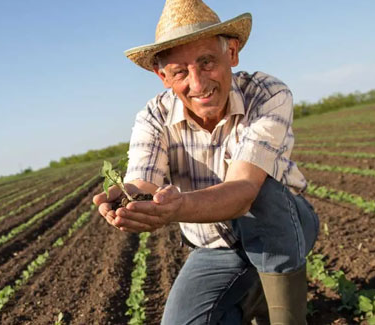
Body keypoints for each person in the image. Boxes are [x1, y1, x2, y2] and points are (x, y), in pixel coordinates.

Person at [92, 0, 319, 324]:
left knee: (265, 194)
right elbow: (144, 180)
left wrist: (178, 207)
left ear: (233, 53)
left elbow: (244, 190)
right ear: (162, 76)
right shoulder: (154, 117)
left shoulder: (266, 93)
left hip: (285, 229)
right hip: (216, 246)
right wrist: (130, 197)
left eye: (207, 62)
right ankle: (253, 294)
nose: (198, 84)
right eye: (180, 72)